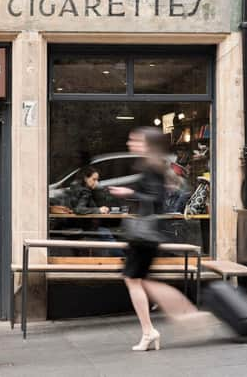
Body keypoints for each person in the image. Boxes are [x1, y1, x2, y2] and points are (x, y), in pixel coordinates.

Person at [109, 127, 205, 352]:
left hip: (144, 236)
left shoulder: (151, 168)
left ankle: (151, 331)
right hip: (146, 235)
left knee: (134, 281)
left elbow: (156, 199)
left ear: (147, 144)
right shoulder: (149, 166)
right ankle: (183, 317)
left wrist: (128, 193)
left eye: (135, 139)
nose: (130, 142)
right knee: (142, 282)